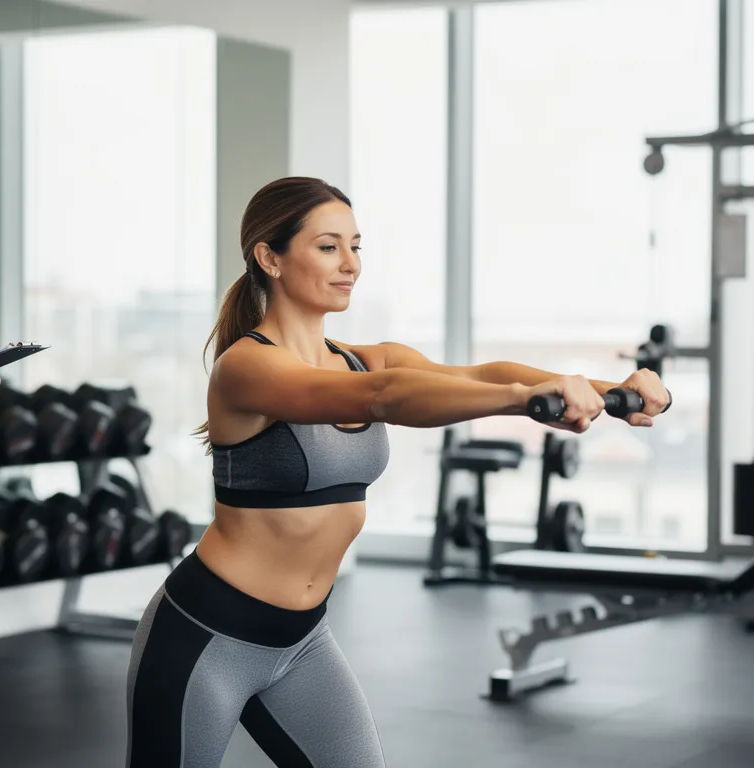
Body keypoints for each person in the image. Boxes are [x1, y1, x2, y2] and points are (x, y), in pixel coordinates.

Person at [123, 176, 669, 767]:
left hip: (302, 641)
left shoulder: (359, 358)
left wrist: (611, 389)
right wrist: (522, 400)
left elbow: (478, 374)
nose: (350, 264)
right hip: (206, 636)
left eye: (356, 247)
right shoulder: (247, 368)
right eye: (329, 246)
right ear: (269, 257)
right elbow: (381, 397)